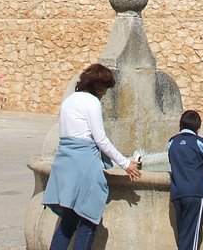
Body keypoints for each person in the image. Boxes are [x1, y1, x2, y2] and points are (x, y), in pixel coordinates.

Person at [42, 63, 141, 250]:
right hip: (84, 163)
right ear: (97, 86)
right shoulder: (92, 102)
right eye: (104, 88)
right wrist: (125, 163)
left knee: (68, 222)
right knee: (88, 220)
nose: (104, 93)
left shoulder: (69, 100)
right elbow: (101, 139)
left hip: (64, 161)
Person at [167, 109, 203, 250]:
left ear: (180, 125)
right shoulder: (200, 142)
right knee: (192, 236)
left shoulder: (171, 142)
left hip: (177, 193)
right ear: (198, 128)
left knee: (183, 234)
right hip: (195, 193)